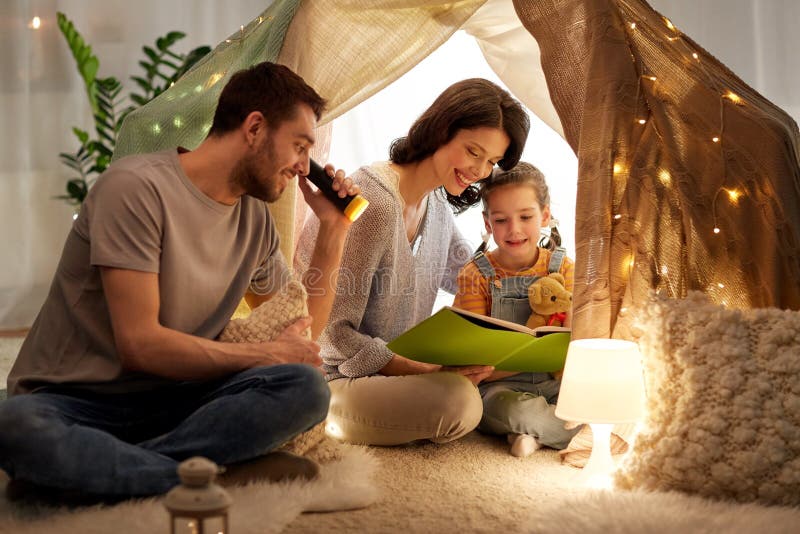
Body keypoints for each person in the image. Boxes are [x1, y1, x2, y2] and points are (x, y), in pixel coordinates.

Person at [0, 62, 360, 502]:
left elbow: (305, 339)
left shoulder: (256, 223)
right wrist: (263, 353)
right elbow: (141, 346)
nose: (304, 167)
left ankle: (116, 471)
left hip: (177, 402)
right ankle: (206, 477)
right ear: (254, 127)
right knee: (15, 428)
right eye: (299, 146)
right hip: (73, 401)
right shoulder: (135, 188)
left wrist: (333, 231)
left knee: (304, 389)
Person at [295, 78, 530, 446]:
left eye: (492, 161)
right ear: (441, 130)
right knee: (460, 403)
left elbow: (471, 276)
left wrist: (543, 275)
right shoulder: (374, 202)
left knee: (481, 385)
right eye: (473, 152)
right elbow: (331, 335)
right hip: (331, 379)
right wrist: (424, 369)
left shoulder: (434, 202)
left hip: (390, 375)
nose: (480, 171)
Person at [453, 162, 579, 457]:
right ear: (487, 223)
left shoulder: (563, 268)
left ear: (545, 215)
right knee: (513, 411)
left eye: (525, 216)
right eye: (501, 220)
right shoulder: (476, 274)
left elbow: (574, 337)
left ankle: (533, 436)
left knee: (598, 399)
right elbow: (473, 355)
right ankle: (545, 429)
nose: (514, 230)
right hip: (500, 388)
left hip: (552, 382)